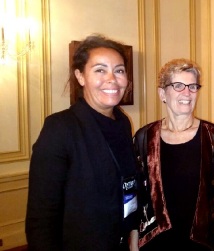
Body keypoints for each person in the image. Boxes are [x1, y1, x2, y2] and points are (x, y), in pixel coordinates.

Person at [25, 34, 139, 250]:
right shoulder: (60, 128)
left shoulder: (123, 122)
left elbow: (127, 184)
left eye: (119, 70)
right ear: (80, 76)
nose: (112, 79)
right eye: (100, 70)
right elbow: (41, 218)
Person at [132, 58, 214, 250]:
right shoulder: (144, 137)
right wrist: (133, 242)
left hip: (200, 242)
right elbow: (136, 196)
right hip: (155, 242)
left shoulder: (213, 136)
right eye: (178, 85)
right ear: (162, 93)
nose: (187, 93)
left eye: (192, 86)